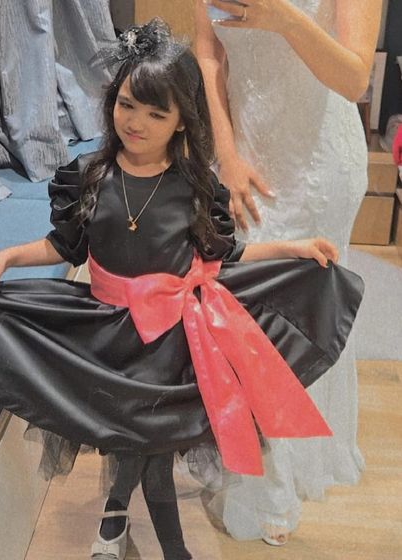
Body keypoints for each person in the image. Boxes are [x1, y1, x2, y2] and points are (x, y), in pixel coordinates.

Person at [0, 18, 363, 560]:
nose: (136, 122)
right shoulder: (88, 176)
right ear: (112, 101)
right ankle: (117, 515)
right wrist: (5, 257)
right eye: (127, 105)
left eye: (156, 114)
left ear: (182, 120)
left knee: (153, 454)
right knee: (131, 439)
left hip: (172, 347)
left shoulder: (194, 187)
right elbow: (63, 247)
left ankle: (162, 544)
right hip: (107, 342)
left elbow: (224, 256)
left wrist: (292, 248)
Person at [195, 0, 382, 545]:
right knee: (242, 319)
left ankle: (278, 482)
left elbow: (354, 78)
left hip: (319, 165)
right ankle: (261, 474)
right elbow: (208, 54)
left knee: (296, 323)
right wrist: (226, 153)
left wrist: (283, 17)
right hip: (247, 161)